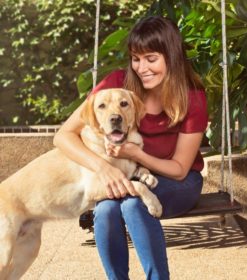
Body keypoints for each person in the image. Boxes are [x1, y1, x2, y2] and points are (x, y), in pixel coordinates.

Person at [53, 15, 208, 280]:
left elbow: (180, 169)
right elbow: (63, 136)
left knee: (134, 204)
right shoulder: (117, 84)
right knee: (104, 209)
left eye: (151, 59)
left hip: (179, 182)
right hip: (131, 178)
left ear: (171, 57)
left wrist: (136, 154)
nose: (142, 67)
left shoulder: (192, 97)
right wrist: (102, 168)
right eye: (136, 59)